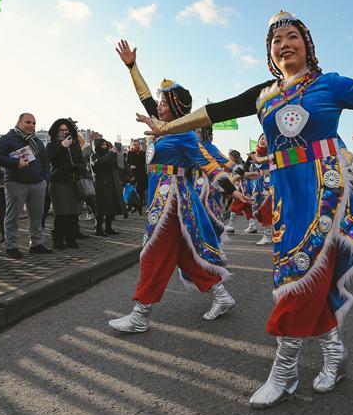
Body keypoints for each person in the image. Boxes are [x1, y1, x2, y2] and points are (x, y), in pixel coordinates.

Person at [134, 11, 353, 408]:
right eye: (275, 40)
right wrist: (166, 127)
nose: (284, 43)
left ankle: (284, 370)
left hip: (324, 189)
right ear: (269, 53)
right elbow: (214, 111)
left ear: (308, 44)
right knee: (301, 274)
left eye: (292, 36)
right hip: (286, 193)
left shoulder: (330, 85)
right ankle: (334, 353)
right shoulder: (263, 94)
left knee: (302, 272)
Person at [108, 39, 248, 333]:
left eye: (162, 103)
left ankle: (140, 315)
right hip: (161, 196)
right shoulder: (163, 124)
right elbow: (144, 95)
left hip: (172, 199)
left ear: (174, 107)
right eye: (158, 103)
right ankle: (221, 296)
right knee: (185, 254)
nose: (157, 105)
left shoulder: (185, 134)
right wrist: (132, 67)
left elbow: (208, 165)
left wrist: (233, 191)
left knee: (153, 253)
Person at [0, 113, 52, 258]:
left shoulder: (37, 141)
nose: (31, 125)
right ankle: (11, 246)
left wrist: (45, 179)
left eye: (34, 123)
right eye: (28, 122)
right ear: (19, 122)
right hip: (15, 182)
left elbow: (45, 162)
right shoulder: (7, 139)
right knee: (12, 216)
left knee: (37, 216)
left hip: (38, 183)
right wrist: (15, 163)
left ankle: (36, 244)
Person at [46, 119, 85, 249]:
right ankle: (58, 240)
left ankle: (71, 239)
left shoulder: (75, 145)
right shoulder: (52, 145)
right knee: (61, 213)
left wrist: (79, 167)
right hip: (59, 182)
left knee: (74, 213)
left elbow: (81, 161)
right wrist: (61, 146)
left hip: (73, 182)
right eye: (61, 130)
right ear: (56, 131)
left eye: (66, 130)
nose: (64, 132)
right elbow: (51, 159)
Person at [90, 138, 126, 236]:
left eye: (106, 144)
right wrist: (111, 154)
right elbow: (99, 164)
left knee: (111, 207)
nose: (105, 146)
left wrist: (118, 154)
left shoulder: (110, 156)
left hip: (112, 185)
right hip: (100, 186)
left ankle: (108, 228)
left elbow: (120, 165)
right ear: (97, 146)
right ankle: (98, 229)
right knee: (100, 208)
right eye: (102, 145)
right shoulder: (94, 156)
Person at [125, 139, 147, 212]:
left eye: (137, 144)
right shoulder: (130, 153)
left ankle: (140, 209)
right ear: (132, 145)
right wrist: (130, 166)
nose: (136, 146)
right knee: (133, 191)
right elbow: (127, 163)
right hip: (134, 174)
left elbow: (145, 163)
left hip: (142, 174)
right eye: (135, 144)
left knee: (141, 192)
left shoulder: (142, 153)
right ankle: (133, 206)